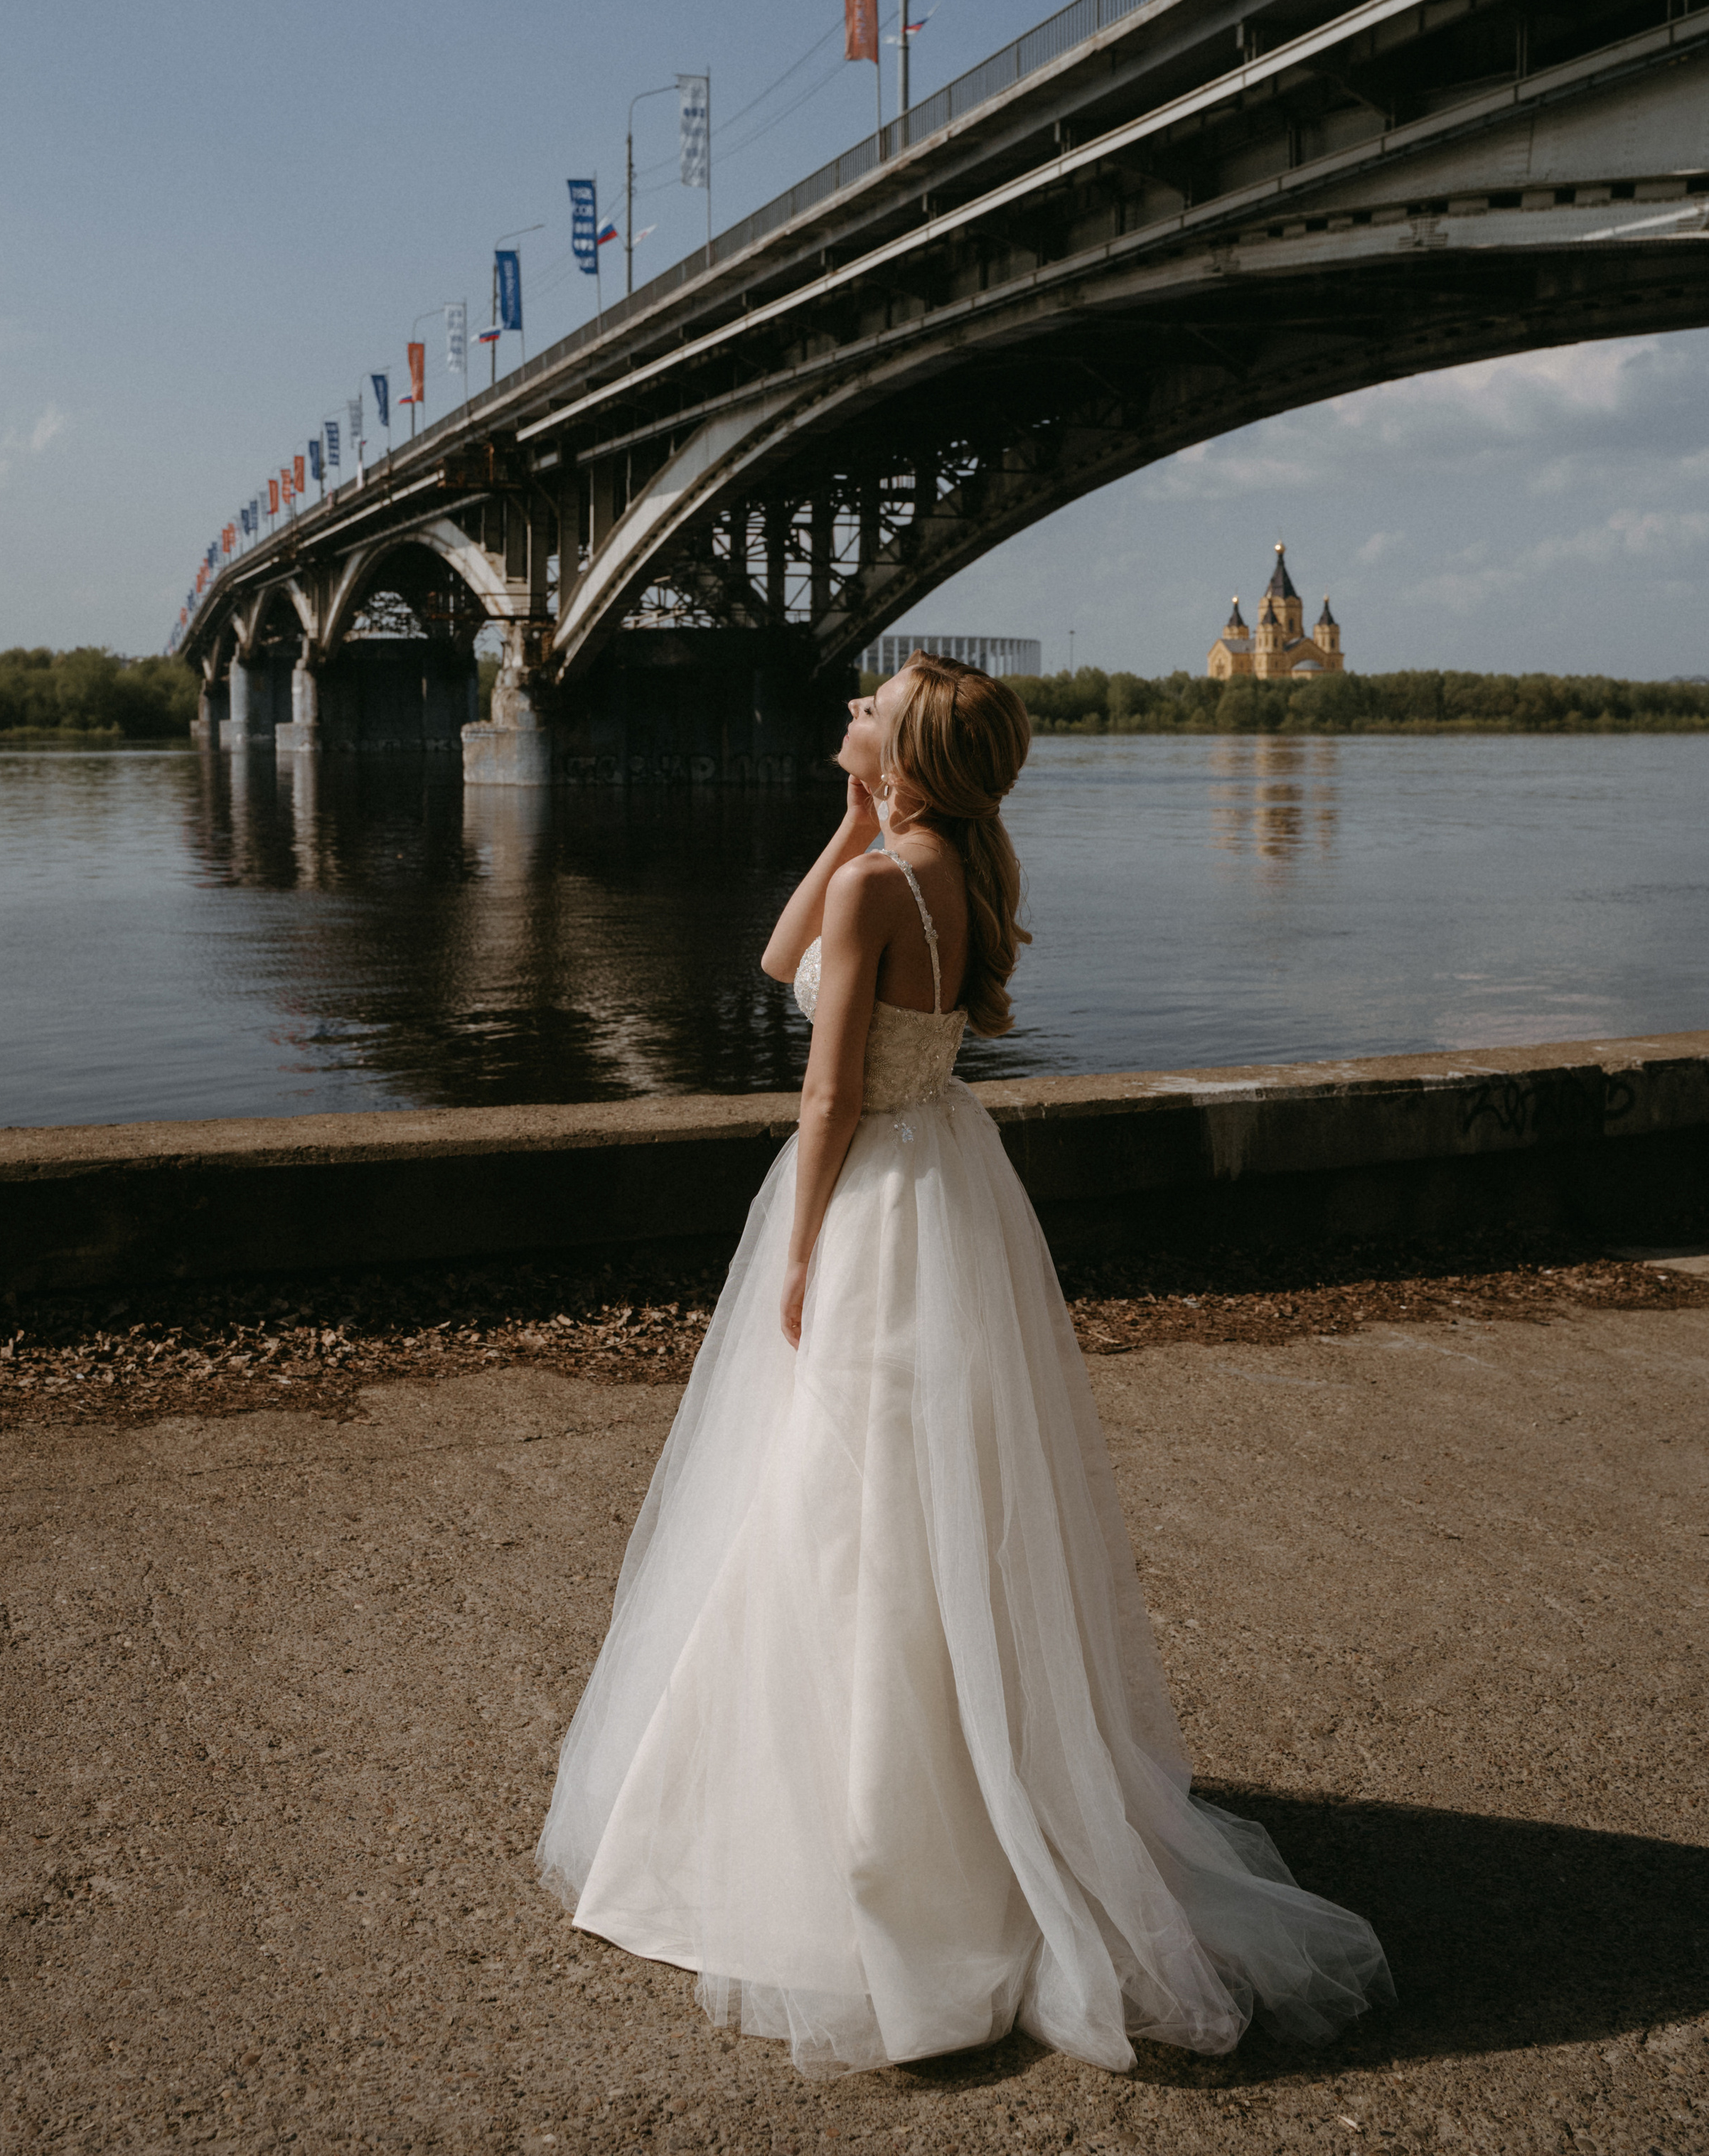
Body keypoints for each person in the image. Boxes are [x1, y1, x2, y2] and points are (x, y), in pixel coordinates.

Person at [537, 651, 1392, 2074]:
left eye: (866, 711)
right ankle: (969, 1770)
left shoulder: (884, 885)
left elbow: (822, 1089)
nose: (846, 715)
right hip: (956, 1182)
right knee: (933, 1496)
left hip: (874, 1190)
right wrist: (853, 816)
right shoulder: (940, 869)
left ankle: (878, 1840)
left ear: (908, 745)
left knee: (841, 1508)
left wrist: (799, 1250)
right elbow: (774, 963)